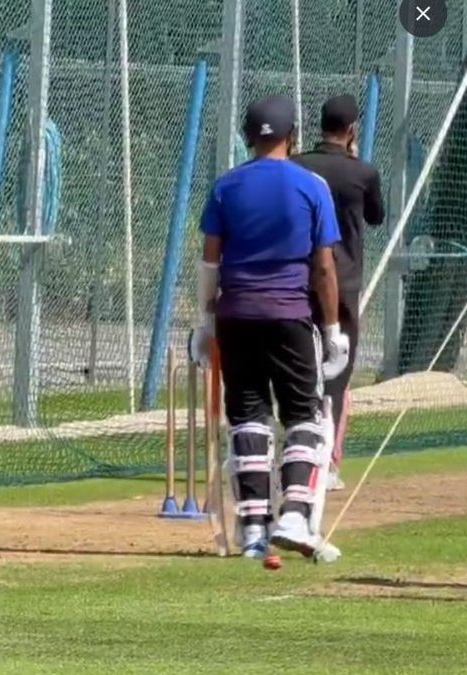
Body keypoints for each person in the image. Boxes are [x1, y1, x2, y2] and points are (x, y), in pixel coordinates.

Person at [189, 95, 350, 560]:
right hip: (289, 314)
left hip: (236, 316)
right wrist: (335, 327)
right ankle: (296, 514)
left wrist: (206, 322)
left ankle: (255, 530)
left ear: (247, 137)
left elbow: (209, 262)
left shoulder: (226, 187)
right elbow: (323, 267)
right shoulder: (311, 186)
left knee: (248, 419)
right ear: (292, 136)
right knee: (304, 416)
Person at [293, 94, 385, 492]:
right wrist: (355, 159)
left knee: (301, 368)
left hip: (299, 279)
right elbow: (377, 217)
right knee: (337, 374)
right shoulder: (362, 172)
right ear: (351, 130)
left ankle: (297, 451)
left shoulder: (297, 166)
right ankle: (327, 461)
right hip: (343, 282)